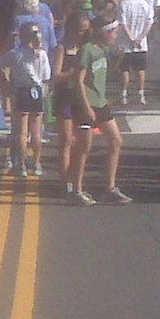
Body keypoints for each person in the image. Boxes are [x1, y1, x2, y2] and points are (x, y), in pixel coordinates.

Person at [67, 14, 131, 205]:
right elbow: (78, 80)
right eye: (113, 32)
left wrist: (119, 58)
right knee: (84, 146)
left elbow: (105, 73)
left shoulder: (103, 50)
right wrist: (86, 107)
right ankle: (76, 189)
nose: (115, 35)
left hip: (100, 102)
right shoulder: (86, 50)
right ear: (104, 32)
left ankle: (110, 188)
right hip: (85, 103)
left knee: (116, 141)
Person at [0, 21, 51, 177]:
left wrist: (6, 81)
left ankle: (21, 165)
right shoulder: (42, 54)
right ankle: (37, 164)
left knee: (21, 132)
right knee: (36, 132)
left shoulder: (16, 54)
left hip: (22, 91)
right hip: (37, 91)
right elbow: (47, 75)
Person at [51, 11, 88, 195]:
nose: (83, 34)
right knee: (66, 139)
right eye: (80, 30)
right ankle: (65, 181)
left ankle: (76, 179)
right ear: (71, 29)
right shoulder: (62, 48)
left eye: (85, 30)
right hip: (64, 96)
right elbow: (55, 76)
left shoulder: (85, 49)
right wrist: (73, 74)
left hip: (80, 96)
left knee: (81, 141)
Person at [117, 0, 153, 105]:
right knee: (140, 69)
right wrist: (140, 38)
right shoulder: (145, 4)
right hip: (141, 44)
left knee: (125, 70)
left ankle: (123, 95)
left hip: (126, 43)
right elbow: (149, 23)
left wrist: (131, 38)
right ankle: (141, 94)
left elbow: (123, 24)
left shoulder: (123, 4)